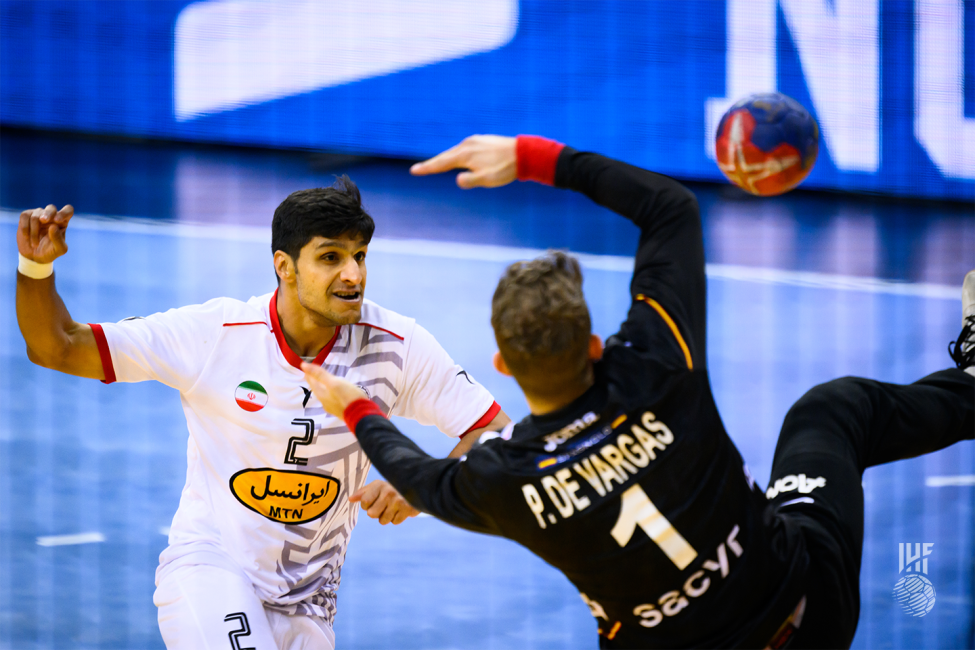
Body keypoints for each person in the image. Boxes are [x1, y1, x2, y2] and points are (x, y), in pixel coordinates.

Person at [300, 135, 975, 650]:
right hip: (808, 615)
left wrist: (354, 406)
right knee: (831, 411)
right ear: (594, 345)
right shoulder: (657, 362)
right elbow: (669, 208)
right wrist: (529, 157)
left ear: (502, 363)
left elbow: (416, 475)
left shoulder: (504, 479)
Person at [15, 177, 509, 650]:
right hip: (211, 571)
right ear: (285, 265)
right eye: (331, 257)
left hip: (309, 603)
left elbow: (495, 433)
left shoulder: (396, 347)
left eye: (359, 256)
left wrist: (426, 483)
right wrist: (36, 269)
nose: (354, 274)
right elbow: (57, 346)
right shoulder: (216, 334)